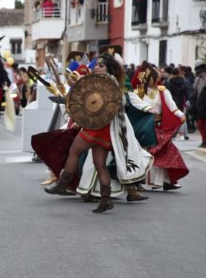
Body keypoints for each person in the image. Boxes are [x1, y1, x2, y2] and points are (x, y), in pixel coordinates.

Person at [45, 53, 152, 213]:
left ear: (108, 68)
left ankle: (63, 184)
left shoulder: (108, 83)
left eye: (100, 65)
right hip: (105, 131)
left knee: (74, 151)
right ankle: (105, 199)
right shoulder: (110, 82)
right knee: (99, 164)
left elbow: (114, 105)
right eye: (96, 65)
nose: (96, 67)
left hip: (97, 127)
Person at [136, 62, 189, 189]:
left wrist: (181, 115)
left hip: (158, 128)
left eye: (155, 77)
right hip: (142, 127)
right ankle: (139, 181)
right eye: (149, 77)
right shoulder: (138, 92)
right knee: (142, 152)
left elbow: (173, 107)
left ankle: (166, 180)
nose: (152, 80)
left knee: (167, 152)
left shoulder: (163, 91)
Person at [196, 74, 206, 147]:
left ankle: (205, 141)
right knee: (200, 125)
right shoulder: (205, 88)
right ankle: (205, 140)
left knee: (205, 127)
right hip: (202, 111)